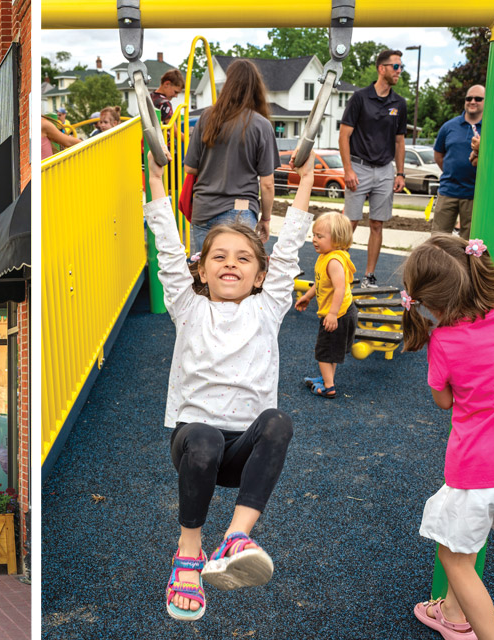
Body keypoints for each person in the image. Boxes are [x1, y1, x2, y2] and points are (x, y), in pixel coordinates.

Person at [145, 147, 316, 621]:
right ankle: (189, 553)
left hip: (243, 448)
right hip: (194, 444)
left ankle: (238, 535)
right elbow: (165, 243)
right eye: (218, 255)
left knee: (278, 421)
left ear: (261, 276)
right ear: (200, 268)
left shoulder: (268, 307)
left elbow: (289, 248)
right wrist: (155, 179)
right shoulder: (188, 305)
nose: (230, 263)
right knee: (201, 436)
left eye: (244, 259)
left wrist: (303, 182)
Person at [400, 235, 494, 640]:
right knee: (467, 547)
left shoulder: (443, 342)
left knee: (455, 558)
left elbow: (443, 401)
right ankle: (454, 617)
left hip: (476, 469)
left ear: (427, 302)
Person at [183, 59, 278, 252]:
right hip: (240, 210)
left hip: (204, 209)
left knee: (204, 274)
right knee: (235, 277)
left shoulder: (207, 118)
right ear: (255, 88)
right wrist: (266, 219)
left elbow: (190, 168)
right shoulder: (261, 125)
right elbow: (267, 184)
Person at [338, 49, 408, 288]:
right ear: (382, 68)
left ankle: (369, 276)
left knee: (377, 224)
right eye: (396, 66)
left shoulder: (399, 103)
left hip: (385, 171)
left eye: (401, 66)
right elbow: (344, 136)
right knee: (351, 223)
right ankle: (338, 272)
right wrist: (348, 170)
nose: (400, 70)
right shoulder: (359, 98)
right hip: (359, 168)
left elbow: (400, 141)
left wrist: (400, 173)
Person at [294, 212, 358, 398]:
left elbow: (339, 289)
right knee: (332, 350)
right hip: (342, 311)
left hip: (338, 313)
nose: (314, 240)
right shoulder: (326, 256)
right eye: (313, 235)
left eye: (320, 236)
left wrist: (332, 314)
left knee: (323, 352)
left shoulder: (333, 261)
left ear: (337, 239)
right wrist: (308, 296)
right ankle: (326, 378)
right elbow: (321, 282)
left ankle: (328, 387)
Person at [432, 85, 485, 240]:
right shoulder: (449, 127)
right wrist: (452, 172)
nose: (472, 101)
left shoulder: (490, 128)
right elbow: (438, 155)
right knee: (438, 240)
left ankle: (465, 266)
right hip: (448, 190)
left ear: (485, 102)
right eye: (469, 98)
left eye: (478, 99)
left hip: (475, 194)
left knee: (471, 244)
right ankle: (436, 265)